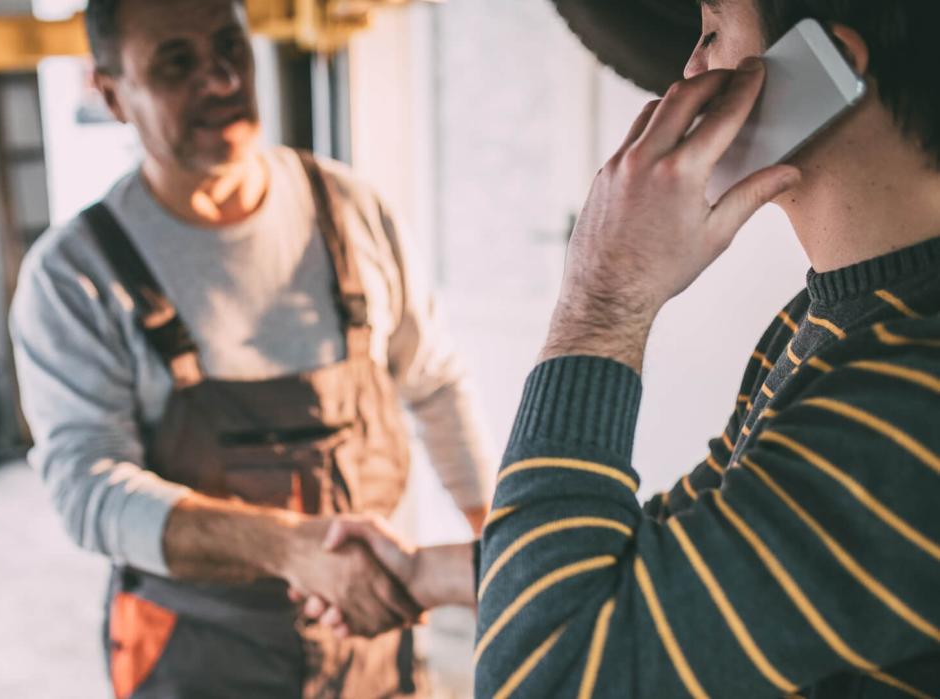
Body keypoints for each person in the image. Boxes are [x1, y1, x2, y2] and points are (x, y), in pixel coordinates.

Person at [308, 0, 940, 696]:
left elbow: (541, 675)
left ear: (830, 65)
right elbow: (676, 552)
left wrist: (602, 299)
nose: (691, 70)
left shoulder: (912, 395)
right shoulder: (835, 321)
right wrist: (419, 573)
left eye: (712, 32)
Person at [8, 0, 492, 695]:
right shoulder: (76, 275)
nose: (221, 81)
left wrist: (500, 549)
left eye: (230, 48)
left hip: (371, 636)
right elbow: (88, 488)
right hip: (198, 654)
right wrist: (294, 550)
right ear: (113, 93)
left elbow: (436, 382)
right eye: (177, 63)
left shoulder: (350, 211)